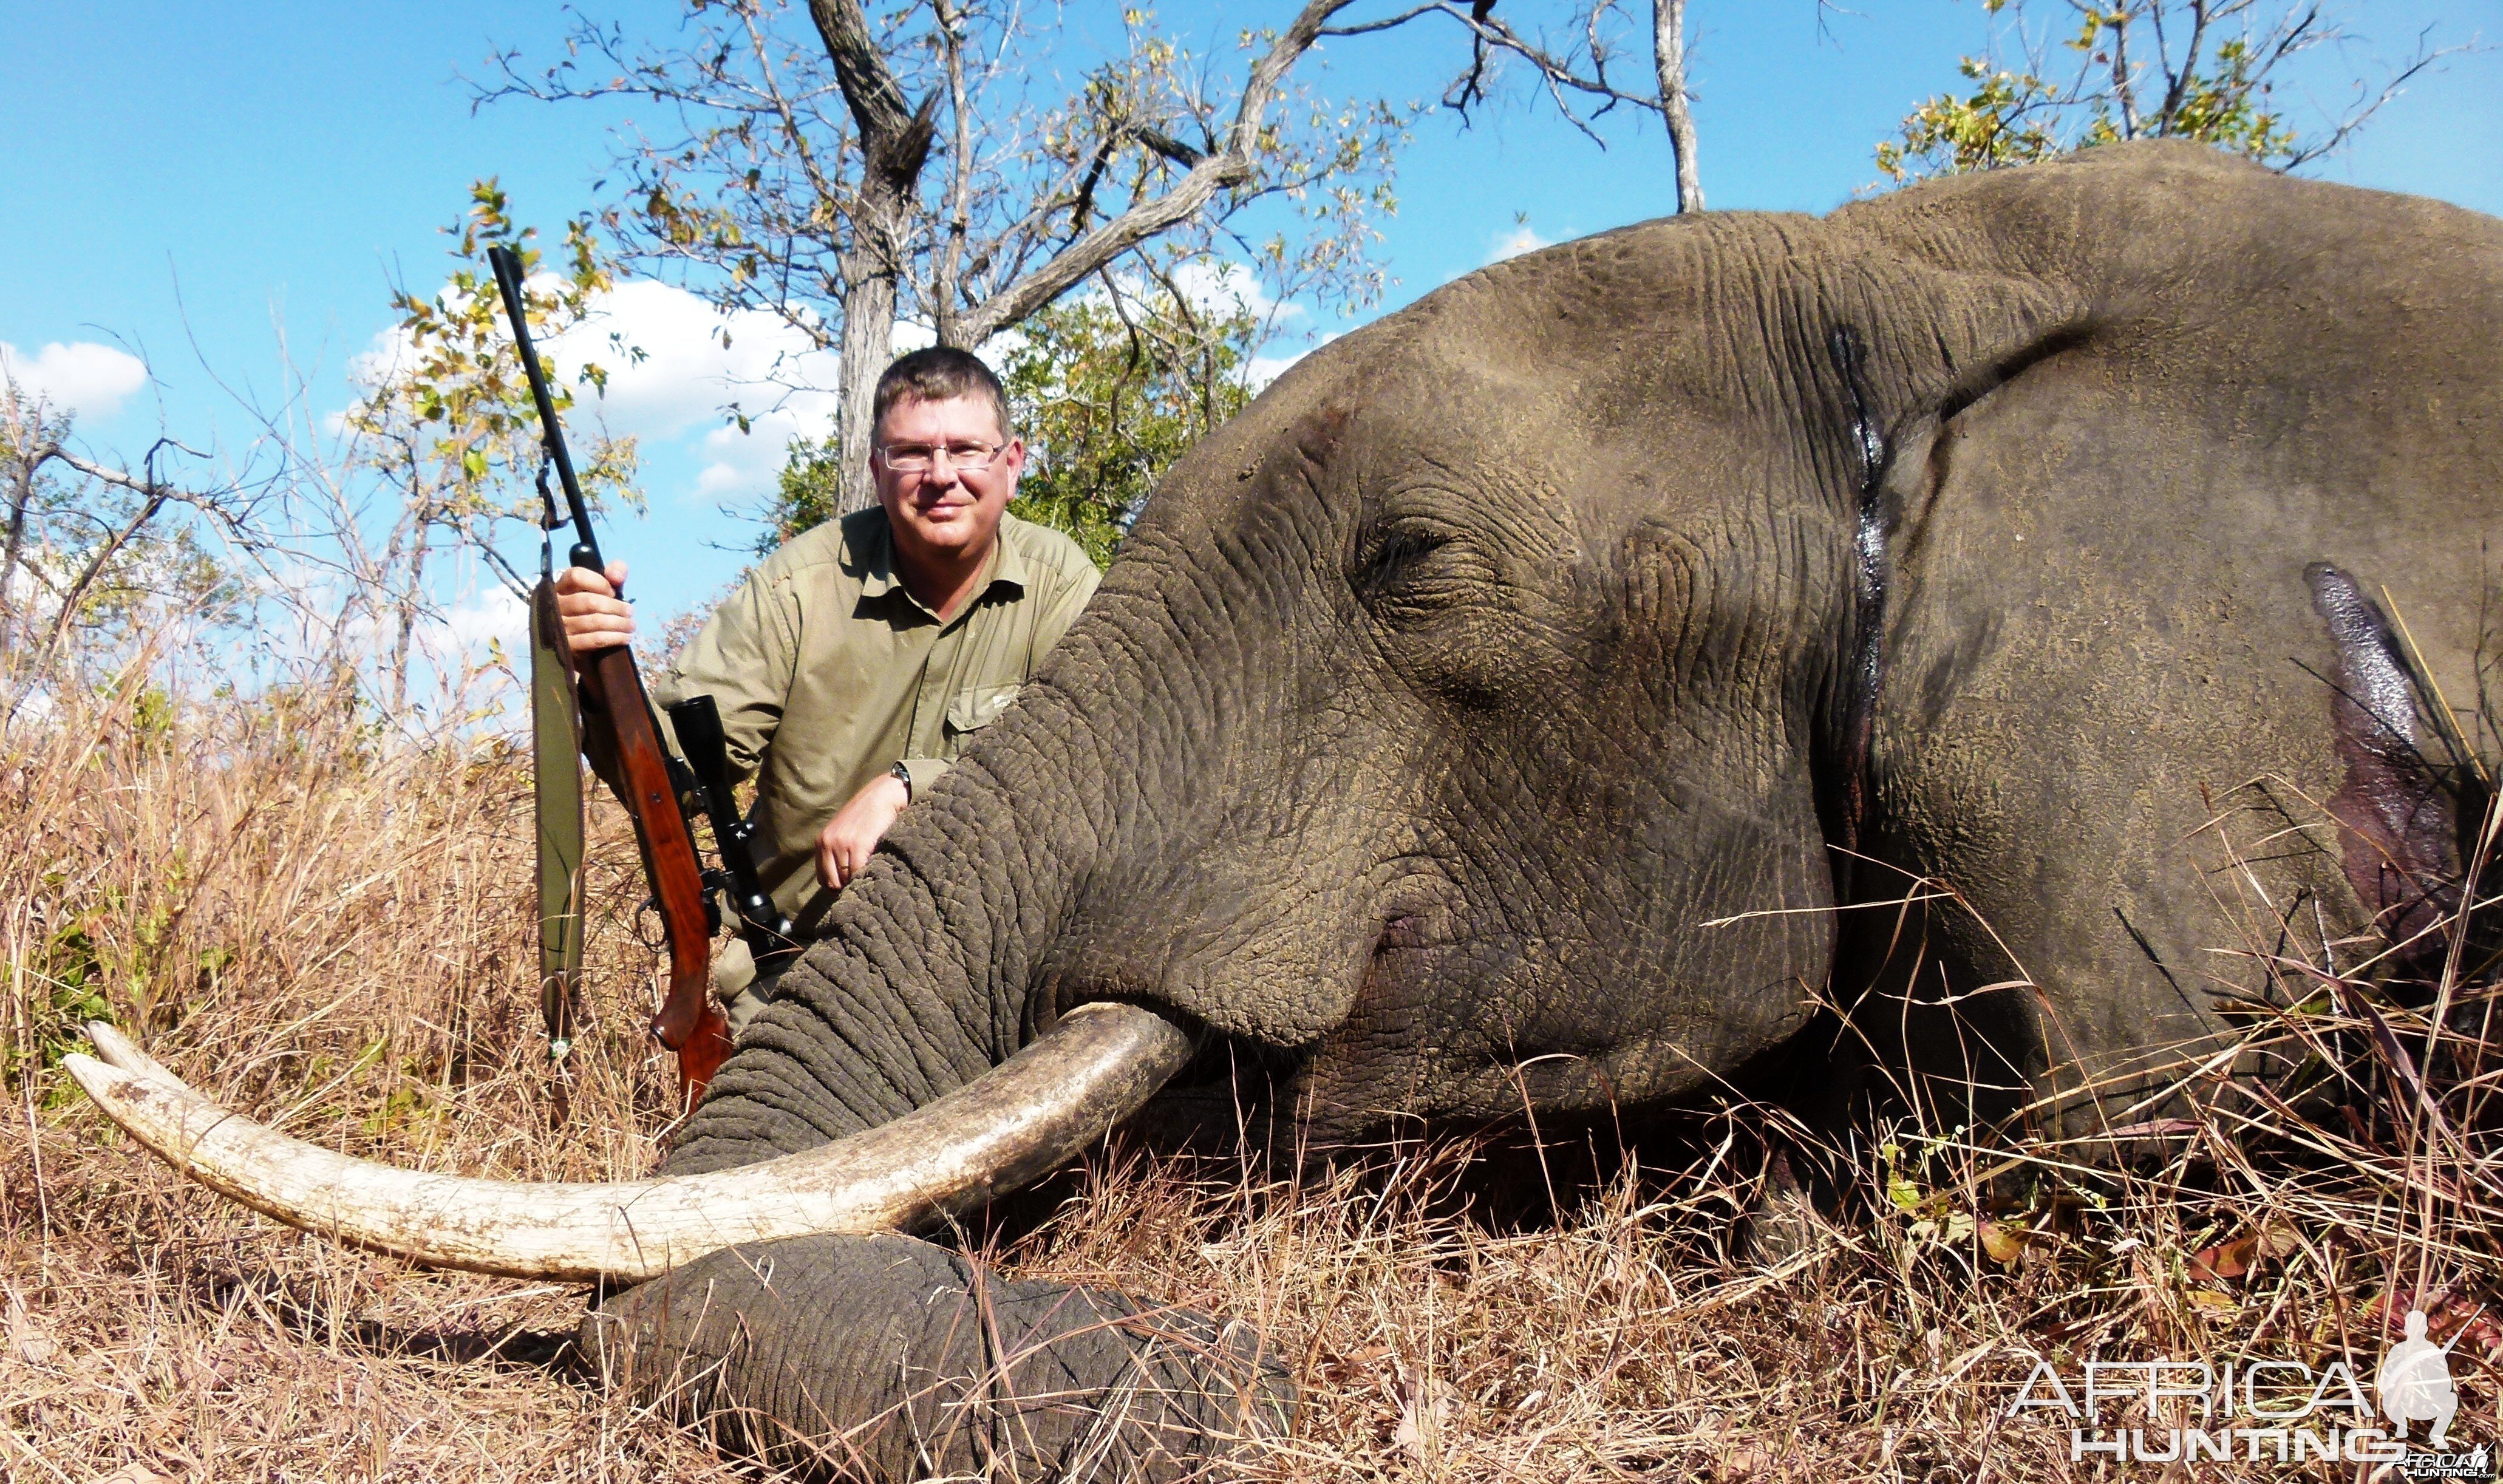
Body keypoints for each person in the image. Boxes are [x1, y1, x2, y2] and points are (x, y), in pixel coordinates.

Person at [554, 347, 1102, 1034]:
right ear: (876, 468)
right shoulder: (799, 588)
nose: (941, 476)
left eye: (966, 449)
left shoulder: (1065, 586)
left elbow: (1092, 766)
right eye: (910, 453)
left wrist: (912, 786)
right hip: (810, 964)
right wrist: (599, 677)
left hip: (1002, 964)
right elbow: (672, 778)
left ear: (1012, 463)